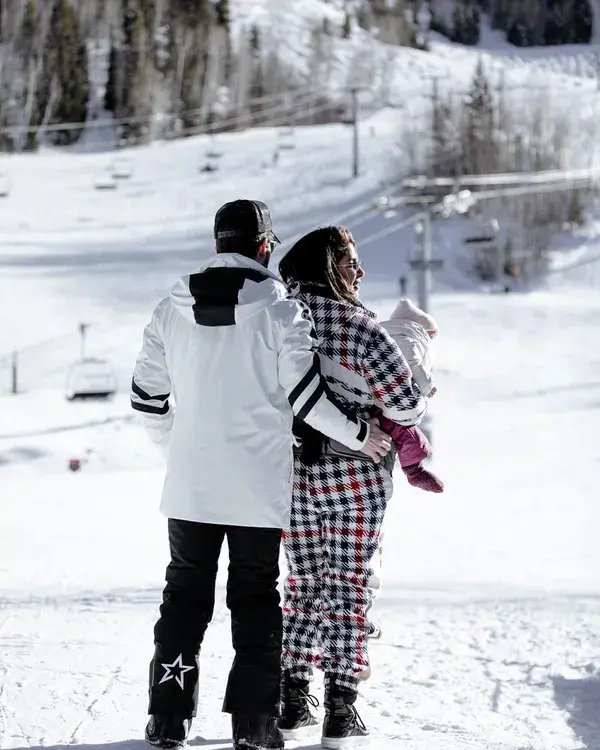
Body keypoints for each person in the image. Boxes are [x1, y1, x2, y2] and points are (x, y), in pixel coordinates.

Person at [130, 201, 392, 750]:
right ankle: (252, 723)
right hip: (257, 488)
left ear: (217, 245)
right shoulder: (279, 310)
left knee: (183, 596)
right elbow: (308, 398)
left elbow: (147, 401)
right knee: (253, 598)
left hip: (190, 487)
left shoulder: (168, 308)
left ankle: (168, 716)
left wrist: (180, 453)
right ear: (265, 245)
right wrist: (363, 436)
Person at [277, 225, 427, 748]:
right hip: (357, 475)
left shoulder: (277, 325)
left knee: (302, 587)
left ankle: (292, 700)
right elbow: (407, 404)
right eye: (351, 262)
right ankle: (341, 710)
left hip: (291, 477)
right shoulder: (361, 329)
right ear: (327, 267)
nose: (359, 273)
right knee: (348, 589)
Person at [378, 298, 444, 494]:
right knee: (406, 433)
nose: (431, 340)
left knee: (404, 432)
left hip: (384, 396)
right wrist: (427, 385)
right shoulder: (407, 339)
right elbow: (412, 364)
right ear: (419, 327)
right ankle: (413, 471)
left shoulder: (391, 336)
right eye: (430, 335)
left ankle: (412, 469)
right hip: (387, 397)